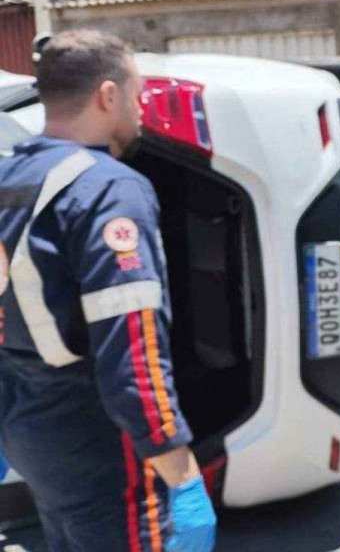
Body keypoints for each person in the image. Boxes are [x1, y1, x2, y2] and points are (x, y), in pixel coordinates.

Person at [0, 31, 216, 552]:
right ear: (107, 96)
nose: (142, 110)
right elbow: (132, 355)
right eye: (135, 92)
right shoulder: (108, 188)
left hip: (34, 436)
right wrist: (182, 475)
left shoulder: (10, 176)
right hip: (101, 450)